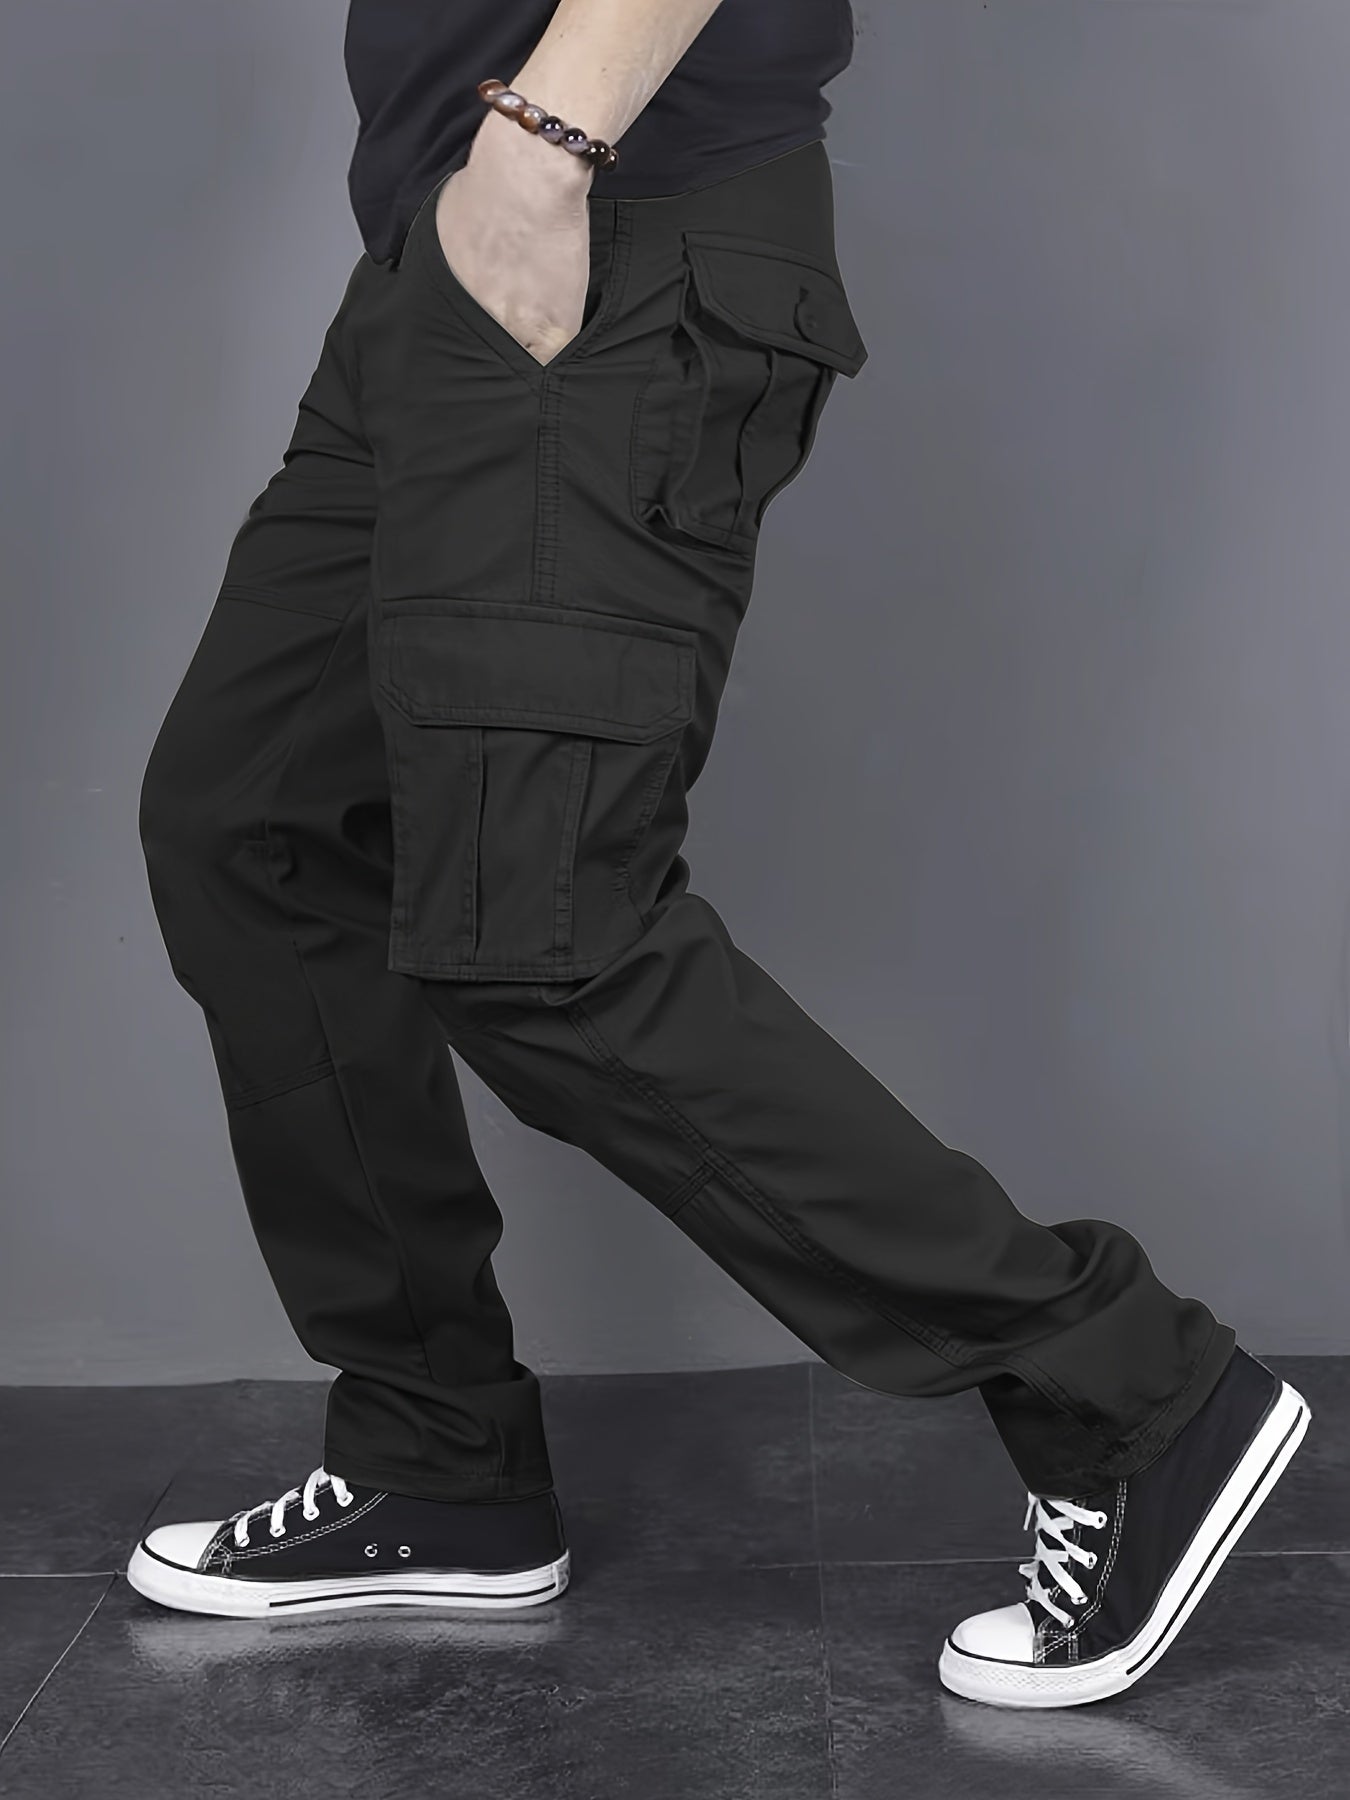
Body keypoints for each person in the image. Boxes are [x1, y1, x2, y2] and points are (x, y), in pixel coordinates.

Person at [125, 0, 1309, 1708]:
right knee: (255, 828)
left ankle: (1124, 1384)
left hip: (598, 219)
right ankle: (436, 1459)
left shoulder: (560, 171)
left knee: (545, 935)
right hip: (442, 255)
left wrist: (543, 147)